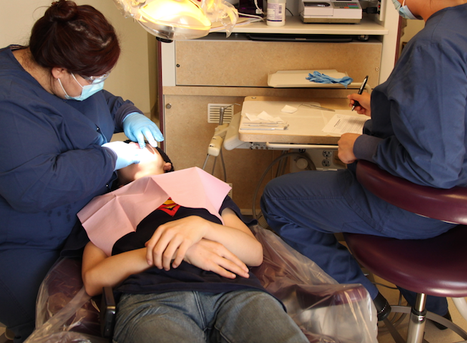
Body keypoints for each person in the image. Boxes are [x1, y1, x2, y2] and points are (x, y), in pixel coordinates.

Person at [260, 0, 467, 323]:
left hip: (417, 204)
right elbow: (461, 113)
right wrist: (387, 107)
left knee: (279, 197)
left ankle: (364, 301)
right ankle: (431, 313)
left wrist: (358, 146)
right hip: (464, 198)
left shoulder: (436, 45)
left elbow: (432, 166)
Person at [0, 0, 163, 342]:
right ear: (59, 71)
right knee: (69, 325)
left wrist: (128, 113)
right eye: (94, 77)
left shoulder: (68, 78)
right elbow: (38, 187)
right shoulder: (0, 102)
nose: (99, 84)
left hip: (67, 224)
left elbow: (101, 100)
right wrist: (110, 158)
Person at [81, 146, 309, 343]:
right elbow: (93, 280)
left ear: (167, 164)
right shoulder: (104, 206)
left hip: (234, 291)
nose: (134, 146)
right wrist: (178, 251)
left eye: (144, 144)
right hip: (151, 298)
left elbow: (254, 253)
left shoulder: (201, 186)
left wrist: (202, 226)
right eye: (127, 145)